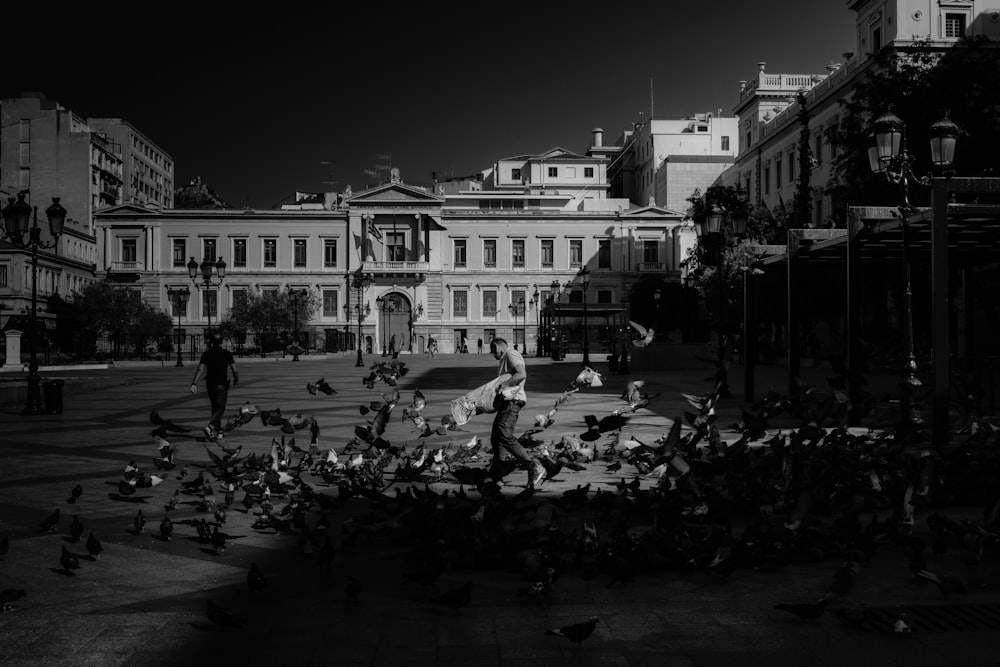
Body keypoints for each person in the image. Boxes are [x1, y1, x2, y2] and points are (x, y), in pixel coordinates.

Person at [488, 337, 545, 489]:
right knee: (497, 438)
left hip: (513, 402)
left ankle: (533, 465)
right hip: (507, 402)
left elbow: (521, 373)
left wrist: (504, 384)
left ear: (500, 345)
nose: (492, 353)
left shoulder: (510, 353)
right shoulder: (505, 358)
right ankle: (496, 475)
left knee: (504, 435)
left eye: (494, 349)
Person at [190, 333, 239, 442]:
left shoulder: (206, 354)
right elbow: (234, 369)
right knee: (220, 408)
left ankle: (218, 431)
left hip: (210, 385)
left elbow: (200, 369)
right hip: (221, 385)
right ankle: (210, 427)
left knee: (215, 407)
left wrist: (194, 383)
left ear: (212, 342)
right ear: (222, 342)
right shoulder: (226, 354)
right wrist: (236, 379)